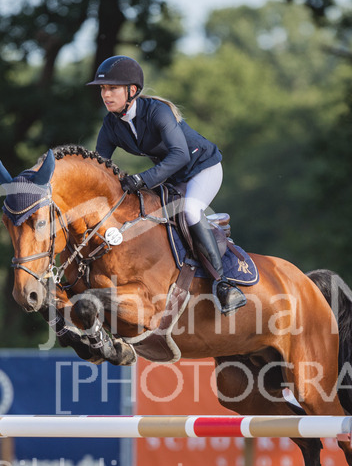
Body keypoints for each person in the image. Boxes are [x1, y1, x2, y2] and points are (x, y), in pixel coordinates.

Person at [87, 55, 246, 315]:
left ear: (132, 91)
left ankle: (224, 285)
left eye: (112, 88)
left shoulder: (156, 112)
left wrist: (142, 179)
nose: (105, 94)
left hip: (202, 168)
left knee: (191, 211)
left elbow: (180, 155)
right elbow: (100, 167)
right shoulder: (111, 124)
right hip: (172, 177)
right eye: (103, 89)